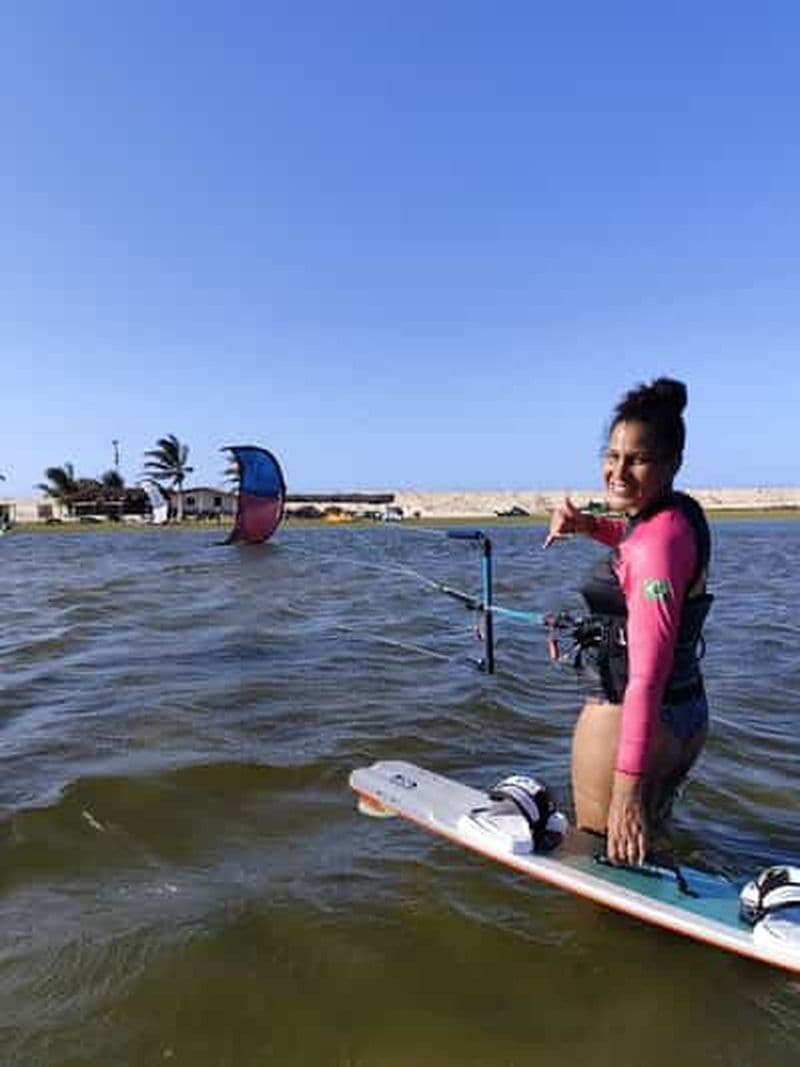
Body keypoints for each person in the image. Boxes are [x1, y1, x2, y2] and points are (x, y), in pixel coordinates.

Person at [544, 378, 712, 866]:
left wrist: (626, 790)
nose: (617, 471)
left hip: (630, 720)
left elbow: (646, 676)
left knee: (596, 864)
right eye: (612, 455)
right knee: (645, 857)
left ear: (672, 463)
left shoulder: (654, 548)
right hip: (688, 715)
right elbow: (638, 537)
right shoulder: (680, 517)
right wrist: (589, 526)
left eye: (637, 459)